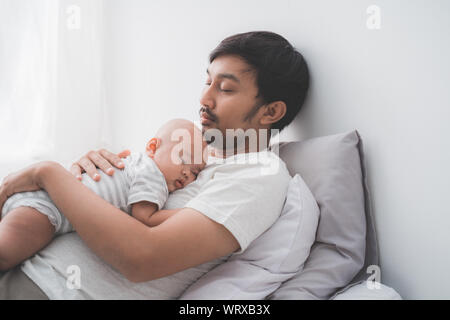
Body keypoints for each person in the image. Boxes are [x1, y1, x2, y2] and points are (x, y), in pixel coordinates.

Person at [0, 31, 309, 299]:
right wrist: (86, 176)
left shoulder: (258, 174)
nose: (205, 98)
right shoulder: (185, 146)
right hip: (23, 260)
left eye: (225, 89)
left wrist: (49, 174)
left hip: (43, 290)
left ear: (270, 112)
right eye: (207, 81)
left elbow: (142, 258)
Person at [0, 119, 207, 272]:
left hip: (39, 197)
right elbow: (145, 217)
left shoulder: (133, 163)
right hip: (48, 208)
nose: (187, 173)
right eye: (183, 159)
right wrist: (192, 213)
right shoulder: (154, 176)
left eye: (196, 172)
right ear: (153, 148)